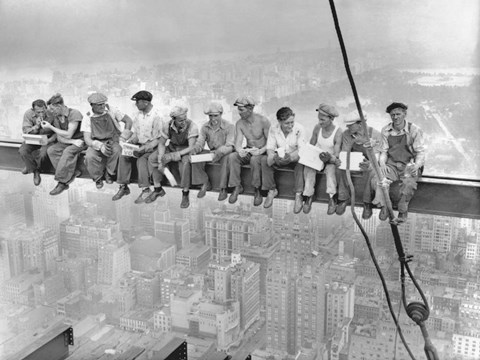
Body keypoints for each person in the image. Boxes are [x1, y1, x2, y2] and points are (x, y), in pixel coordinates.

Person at [372, 102, 426, 222]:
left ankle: (403, 209)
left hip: (409, 164)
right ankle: (385, 205)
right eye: (392, 115)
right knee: (380, 179)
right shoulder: (386, 130)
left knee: (408, 183)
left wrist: (416, 165)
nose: (395, 117)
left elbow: (420, 152)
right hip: (392, 164)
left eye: (398, 114)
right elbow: (384, 151)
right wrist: (382, 164)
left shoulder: (414, 130)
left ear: (404, 114)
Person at [114, 90, 165, 203]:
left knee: (141, 161)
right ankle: (123, 186)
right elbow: (136, 134)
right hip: (139, 145)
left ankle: (145, 189)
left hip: (152, 147)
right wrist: (130, 142)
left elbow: (159, 139)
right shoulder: (138, 115)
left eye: (138, 102)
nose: (136, 104)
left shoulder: (157, 116)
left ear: (146, 103)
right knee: (123, 156)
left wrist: (144, 148)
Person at [148, 105, 199, 208]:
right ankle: (158, 188)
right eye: (180, 121)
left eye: (185, 119)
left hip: (185, 150)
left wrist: (175, 155)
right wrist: (161, 158)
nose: (183, 122)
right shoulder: (167, 125)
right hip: (172, 147)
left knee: (185, 163)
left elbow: (191, 147)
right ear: (174, 119)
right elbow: (162, 143)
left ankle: (185, 193)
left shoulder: (192, 126)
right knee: (153, 158)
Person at [81, 92, 133, 192]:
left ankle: (110, 174)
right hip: (97, 141)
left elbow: (128, 121)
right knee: (89, 156)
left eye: (103, 103)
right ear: (92, 105)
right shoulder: (87, 117)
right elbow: (87, 139)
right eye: (99, 105)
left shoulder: (111, 110)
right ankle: (97, 178)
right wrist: (100, 146)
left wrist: (123, 137)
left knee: (117, 151)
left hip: (113, 139)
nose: (102, 106)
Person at [335, 111, 382, 218]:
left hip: (369, 162)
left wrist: (365, 143)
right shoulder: (347, 134)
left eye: (350, 125)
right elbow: (345, 152)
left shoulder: (375, 134)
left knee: (371, 171)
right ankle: (343, 198)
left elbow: (377, 158)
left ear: (360, 124)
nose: (347, 127)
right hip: (352, 161)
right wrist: (353, 142)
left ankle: (367, 202)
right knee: (340, 168)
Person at [261, 107, 306, 211]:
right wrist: (273, 156)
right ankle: (272, 190)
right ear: (279, 121)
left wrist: (290, 157)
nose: (290, 126)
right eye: (287, 123)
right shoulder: (274, 128)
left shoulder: (299, 129)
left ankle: (298, 194)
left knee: (301, 163)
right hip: (280, 157)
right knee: (265, 161)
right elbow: (270, 147)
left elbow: (301, 149)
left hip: (294, 157)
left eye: (292, 122)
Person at [228, 96, 270, 206]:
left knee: (255, 160)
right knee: (233, 157)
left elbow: (271, 142)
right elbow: (238, 142)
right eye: (238, 109)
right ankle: (237, 186)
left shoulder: (263, 121)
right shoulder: (240, 124)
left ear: (250, 109)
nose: (239, 112)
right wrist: (239, 150)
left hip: (262, 151)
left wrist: (261, 151)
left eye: (241, 110)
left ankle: (257, 190)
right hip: (249, 150)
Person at [42, 93, 86, 195]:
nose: (51, 112)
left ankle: (62, 182)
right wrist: (72, 142)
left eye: (53, 109)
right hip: (71, 141)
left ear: (59, 106)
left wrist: (51, 127)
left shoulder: (74, 113)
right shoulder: (57, 117)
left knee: (68, 152)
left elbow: (69, 134)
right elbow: (60, 137)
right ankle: (73, 172)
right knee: (51, 150)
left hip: (81, 141)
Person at [302, 103, 343, 214]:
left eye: (323, 120)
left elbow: (337, 152)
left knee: (330, 171)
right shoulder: (317, 128)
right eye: (319, 119)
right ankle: (309, 195)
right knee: (309, 168)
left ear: (331, 119)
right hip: (317, 157)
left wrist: (330, 158)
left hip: (330, 159)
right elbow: (312, 144)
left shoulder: (338, 132)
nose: (320, 122)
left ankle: (332, 197)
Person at [190, 102, 235, 200]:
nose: (213, 119)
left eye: (215, 116)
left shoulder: (229, 126)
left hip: (225, 152)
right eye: (210, 116)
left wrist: (219, 152)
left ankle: (223, 188)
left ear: (221, 114)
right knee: (196, 157)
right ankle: (205, 182)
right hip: (212, 152)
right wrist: (195, 149)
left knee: (226, 158)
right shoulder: (205, 127)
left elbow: (230, 145)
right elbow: (200, 142)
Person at [19, 99, 56, 186]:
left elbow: (57, 131)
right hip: (33, 138)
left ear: (46, 108)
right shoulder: (28, 114)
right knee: (23, 151)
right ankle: (34, 170)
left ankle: (32, 167)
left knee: (43, 154)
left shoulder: (52, 114)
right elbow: (26, 130)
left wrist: (49, 140)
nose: (41, 114)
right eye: (38, 112)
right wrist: (36, 126)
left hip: (47, 139)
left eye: (43, 111)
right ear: (33, 110)